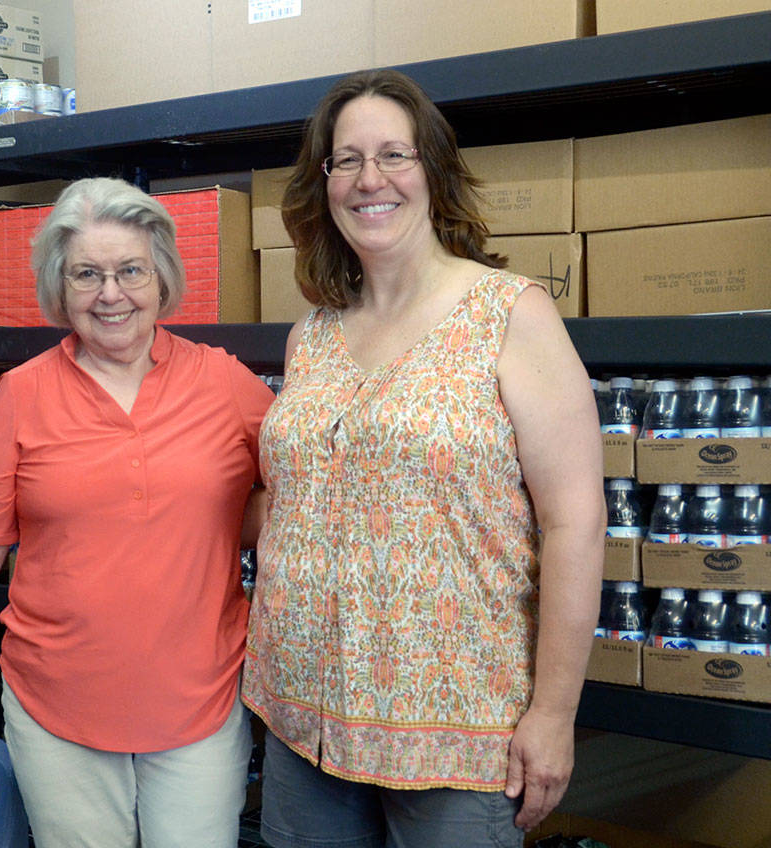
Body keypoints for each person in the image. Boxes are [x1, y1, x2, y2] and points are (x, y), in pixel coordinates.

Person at [242, 69, 605, 848]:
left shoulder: (510, 316)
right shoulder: (313, 334)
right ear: (325, 182)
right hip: (306, 716)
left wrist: (553, 714)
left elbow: (576, 524)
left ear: (432, 171)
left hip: (458, 730)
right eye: (347, 160)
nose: (370, 179)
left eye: (394, 155)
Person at [0, 177, 274, 848]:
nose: (111, 294)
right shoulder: (22, 395)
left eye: (130, 271)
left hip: (199, 701)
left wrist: (233, 519)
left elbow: (295, 483)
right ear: (60, 287)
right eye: (87, 275)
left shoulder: (225, 383)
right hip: (58, 711)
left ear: (162, 277)